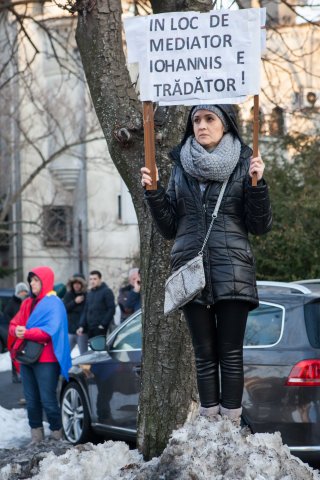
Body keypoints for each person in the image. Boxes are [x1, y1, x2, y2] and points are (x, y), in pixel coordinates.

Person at [141, 104, 272, 426]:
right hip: (190, 270)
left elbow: (260, 225)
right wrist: (154, 192)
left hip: (232, 268)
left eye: (209, 119)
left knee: (229, 352)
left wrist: (258, 184)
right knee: (203, 354)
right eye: (196, 120)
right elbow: (170, 227)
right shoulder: (180, 168)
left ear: (225, 125)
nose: (202, 125)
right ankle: (209, 423)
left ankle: (230, 423)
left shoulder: (245, 165)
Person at [8, 266, 71, 444]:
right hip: (27, 356)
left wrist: (24, 332)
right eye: (31, 280)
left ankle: (56, 433)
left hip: (47, 359)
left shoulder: (54, 303)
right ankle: (36, 435)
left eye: (36, 280)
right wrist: (17, 330)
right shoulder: (27, 302)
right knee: (31, 399)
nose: (32, 284)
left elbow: (48, 331)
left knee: (48, 399)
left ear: (45, 281)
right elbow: (14, 324)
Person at [77, 270, 115, 339]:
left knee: (100, 348)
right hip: (90, 328)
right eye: (91, 279)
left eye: (95, 279)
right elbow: (86, 310)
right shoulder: (90, 293)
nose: (92, 281)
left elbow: (111, 309)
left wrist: (103, 324)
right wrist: (81, 325)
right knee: (92, 349)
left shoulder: (107, 291)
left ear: (100, 279)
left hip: (101, 328)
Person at [3, 282, 29, 383]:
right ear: (17, 292)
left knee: (25, 353)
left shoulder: (28, 301)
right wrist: (14, 325)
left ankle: (24, 373)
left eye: (24, 291)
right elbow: (7, 315)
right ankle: (15, 374)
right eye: (21, 291)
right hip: (15, 333)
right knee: (15, 354)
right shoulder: (12, 303)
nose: (23, 293)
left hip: (26, 332)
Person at [63, 273, 88, 354]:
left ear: (82, 284)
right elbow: (64, 309)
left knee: (83, 354)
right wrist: (74, 302)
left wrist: (82, 326)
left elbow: (87, 312)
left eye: (78, 283)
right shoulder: (68, 295)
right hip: (70, 330)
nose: (76, 285)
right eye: (75, 283)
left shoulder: (86, 295)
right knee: (65, 353)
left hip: (81, 330)